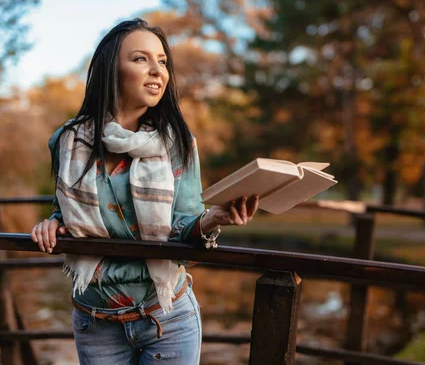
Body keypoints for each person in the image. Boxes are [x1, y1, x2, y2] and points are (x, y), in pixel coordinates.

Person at [30, 18, 259, 364]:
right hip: (96, 323)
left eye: (162, 61)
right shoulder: (68, 141)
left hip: (167, 319)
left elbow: (183, 227)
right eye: (141, 59)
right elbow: (68, 210)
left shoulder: (177, 144)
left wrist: (213, 218)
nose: (157, 71)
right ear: (111, 70)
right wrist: (52, 223)